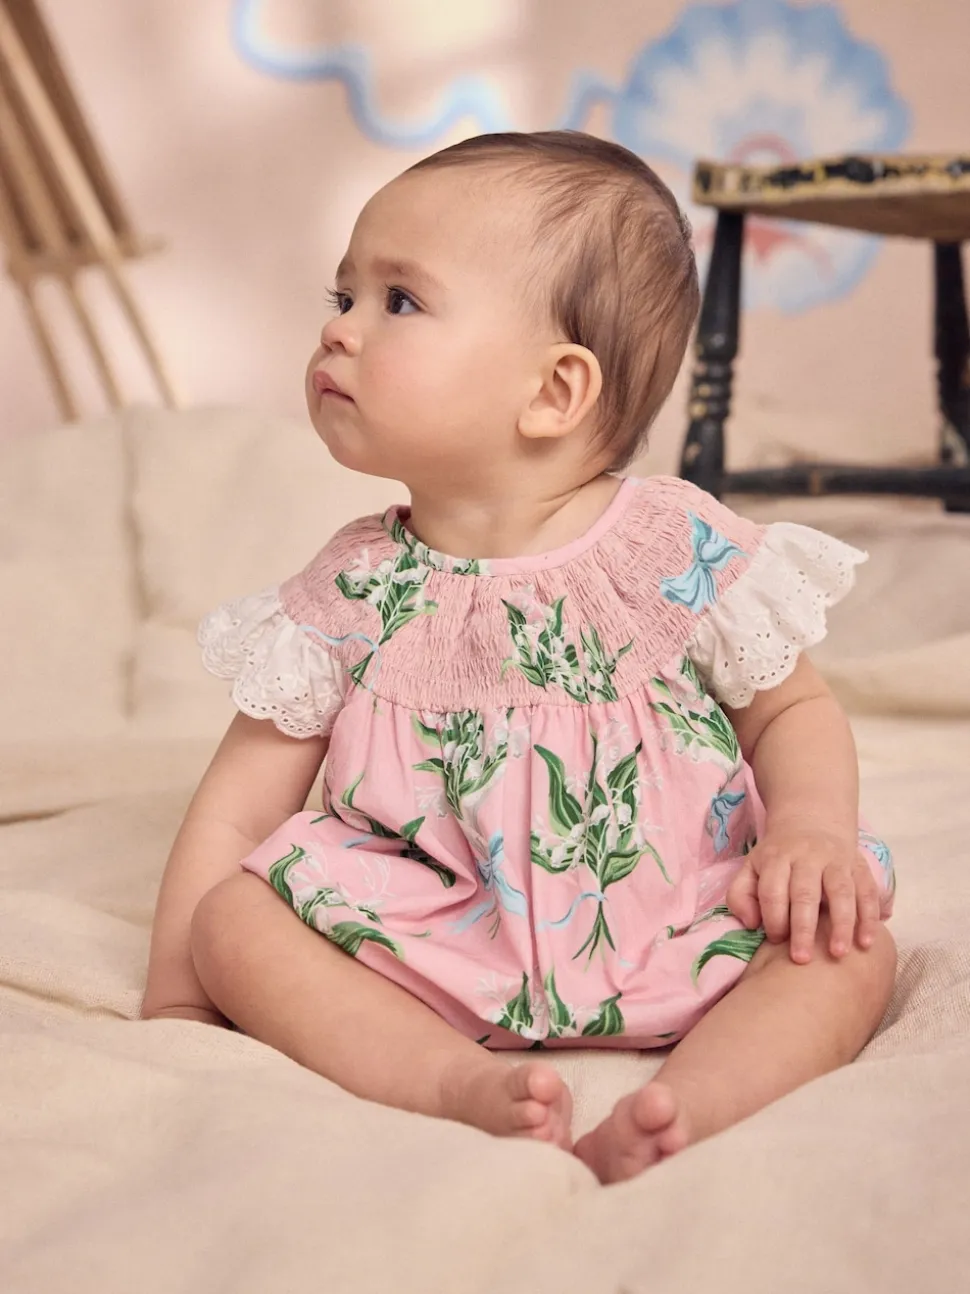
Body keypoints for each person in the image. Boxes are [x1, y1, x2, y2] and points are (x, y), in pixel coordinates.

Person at [141, 130, 896, 1185]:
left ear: (553, 392)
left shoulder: (670, 547)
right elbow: (235, 811)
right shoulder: (354, 587)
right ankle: (455, 1085)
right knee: (234, 921)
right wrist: (184, 997)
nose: (338, 328)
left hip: (675, 910)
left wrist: (811, 830)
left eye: (399, 301)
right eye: (344, 295)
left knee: (846, 945)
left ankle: (688, 1107)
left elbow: (789, 711)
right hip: (431, 942)